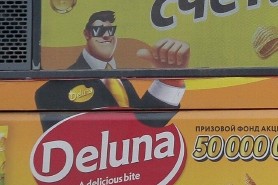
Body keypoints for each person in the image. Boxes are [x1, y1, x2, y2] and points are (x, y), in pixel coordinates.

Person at [34, 10, 190, 128]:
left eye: (111, 30)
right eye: (99, 31)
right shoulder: (52, 90)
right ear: (86, 34)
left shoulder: (121, 81)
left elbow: (143, 126)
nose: (107, 36)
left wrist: (170, 80)